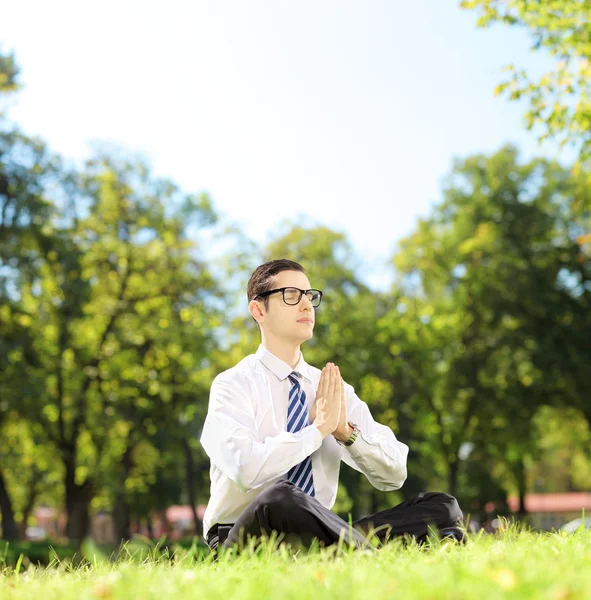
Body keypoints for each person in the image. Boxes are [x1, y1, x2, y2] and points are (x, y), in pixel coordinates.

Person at [200, 259, 464, 553]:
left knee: (442, 507)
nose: (305, 305)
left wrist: (344, 433)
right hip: (248, 536)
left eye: (309, 295)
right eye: (291, 295)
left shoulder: (331, 387)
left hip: (320, 531)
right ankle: (366, 554)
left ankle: (348, 551)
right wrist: (317, 430)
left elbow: (395, 474)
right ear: (258, 310)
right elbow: (245, 469)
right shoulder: (233, 385)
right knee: (280, 498)